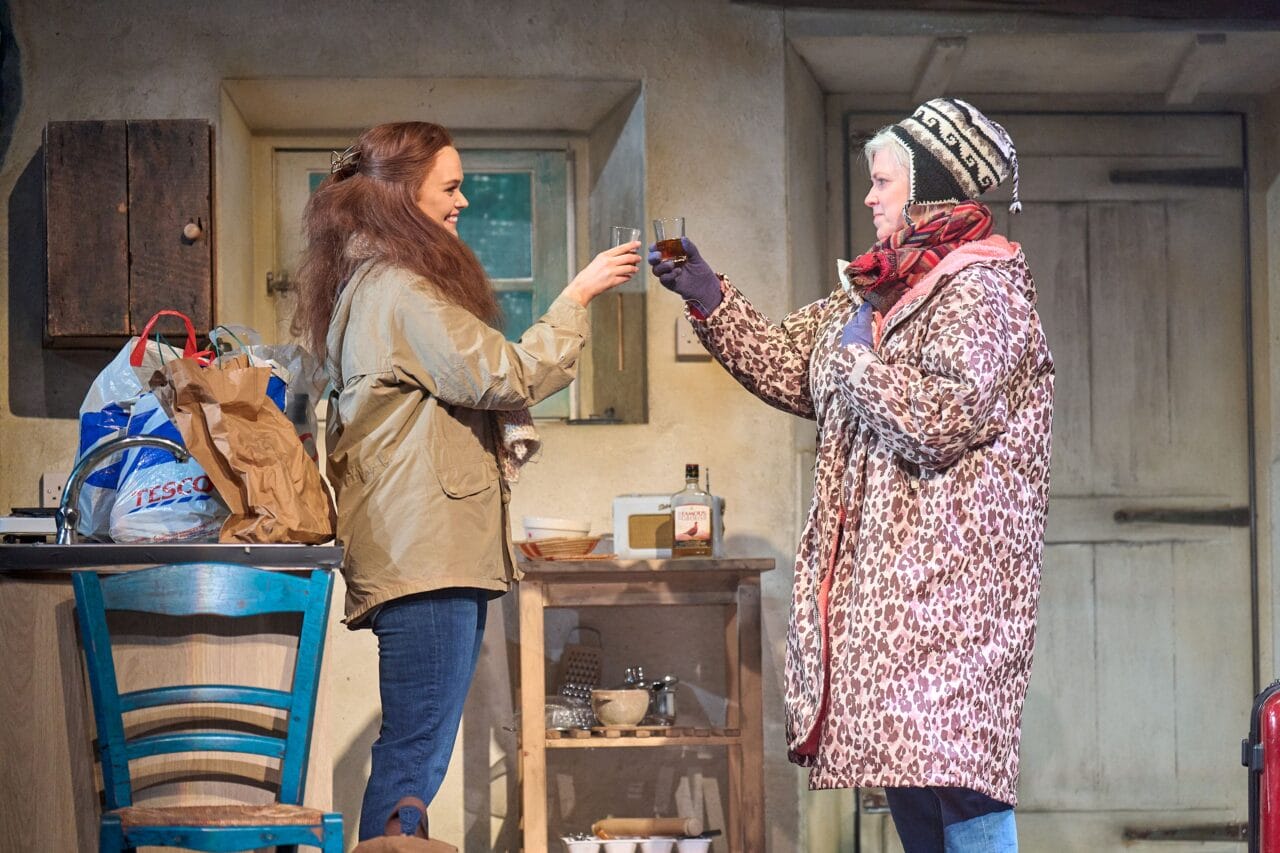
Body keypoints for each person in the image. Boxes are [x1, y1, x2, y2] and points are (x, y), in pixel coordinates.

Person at [648, 99, 1053, 852]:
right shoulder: (875, 287)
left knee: (962, 781)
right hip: (884, 592)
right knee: (909, 776)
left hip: (953, 594)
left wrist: (860, 357)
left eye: (883, 182)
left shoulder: (981, 289)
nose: (869, 198)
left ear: (929, 186)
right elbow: (798, 369)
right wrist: (708, 297)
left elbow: (943, 418)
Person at [292, 121, 640, 842]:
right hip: (429, 554)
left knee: (412, 747)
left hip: (418, 548)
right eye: (449, 187)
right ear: (400, 195)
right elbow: (508, 373)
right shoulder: (398, 291)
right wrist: (575, 296)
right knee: (415, 750)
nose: (463, 203)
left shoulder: (368, 285)